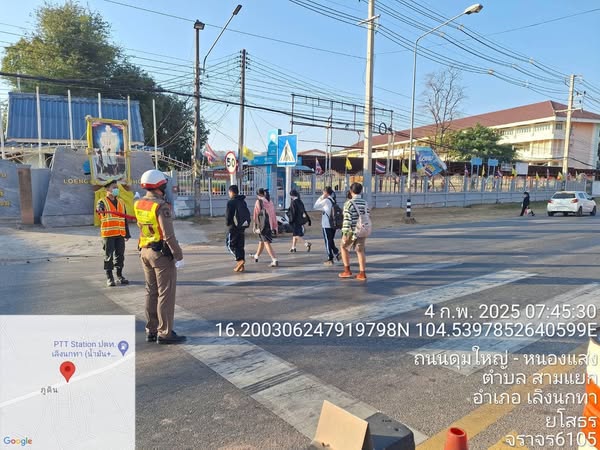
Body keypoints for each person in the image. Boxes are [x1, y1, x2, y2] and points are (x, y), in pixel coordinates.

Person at [134, 169, 186, 345]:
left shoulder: (139, 203)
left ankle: (152, 329)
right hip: (161, 255)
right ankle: (165, 333)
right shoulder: (161, 206)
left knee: (151, 292)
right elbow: (168, 235)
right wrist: (178, 255)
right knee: (165, 294)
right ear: (160, 186)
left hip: (144, 251)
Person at [97, 180, 130, 287]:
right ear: (107, 189)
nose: (116, 189)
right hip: (108, 234)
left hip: (120, 233)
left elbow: (124, 218)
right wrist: (100, 209)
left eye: (117, 187)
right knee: (109, 256)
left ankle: (119, 275)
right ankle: (110, 277)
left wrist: (127, 233)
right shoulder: (102, 201)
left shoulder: (121, 202)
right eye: (114, 187)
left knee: (120, 256)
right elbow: (99, 209)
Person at [339, 182, 368, 281]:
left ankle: (347, 271)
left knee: (343, 247)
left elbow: (347, 219)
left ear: (351, 191)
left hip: (351, 230)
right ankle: (362, 273)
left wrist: (345, 233)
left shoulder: (349, 203)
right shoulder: (365, 203)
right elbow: (367, 215)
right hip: (362, 229)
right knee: (360, 251)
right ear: (361, 191)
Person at [252, 188, 279, 267]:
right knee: (262, 241)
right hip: (269, 224)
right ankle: (256, 256)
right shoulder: (270, 202)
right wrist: (275, 226)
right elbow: (273, 215)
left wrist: (255, 226)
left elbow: (256, 214)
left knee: (266, 242)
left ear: (259, 194)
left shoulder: (259, 202)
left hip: (262, 225)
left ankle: (274, 259)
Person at [313, 186, 340, 266]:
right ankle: (336, 252)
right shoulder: (333, 200)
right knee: (330, 240)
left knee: (328, 241)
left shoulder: (325, 201)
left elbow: (315, 206)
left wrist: (322, 197)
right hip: (333, 224)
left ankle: (330, 257)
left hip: (326, 224)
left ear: (325, 192)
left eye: (323, 192)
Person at [226, 185, 249, 272]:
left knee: (230, 245)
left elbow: (228, 215)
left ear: (231, 192)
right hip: (242, 226)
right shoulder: (243, 201)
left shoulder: (231, 202)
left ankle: (240, 260)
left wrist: (228, 224)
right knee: (240, 245)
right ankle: (241, 265)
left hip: (233, 227)